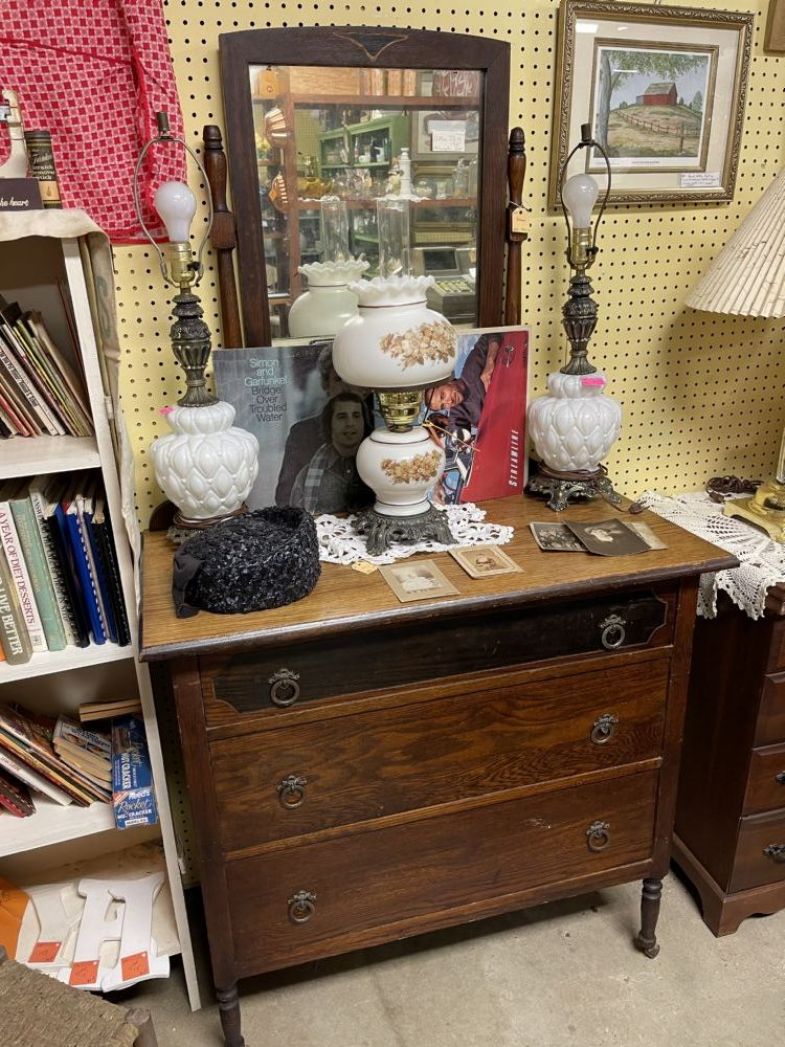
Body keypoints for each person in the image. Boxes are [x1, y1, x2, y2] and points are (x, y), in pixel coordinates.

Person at [275, 344, 352, 505]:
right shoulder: (302, 434)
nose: (346, 387)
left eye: (351, 379)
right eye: (338, 379)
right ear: (326, 385)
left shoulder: (376, 431)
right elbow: (285, 497)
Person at [290, 392, 372, 513]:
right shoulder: (305, 477)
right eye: (342, 417)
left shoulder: (377, 467)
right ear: (330, 423)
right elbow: (296, 519)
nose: (350, 423)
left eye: (356, 416)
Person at [424, 331, 502, 431]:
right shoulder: (457, 414)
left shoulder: (472, 366)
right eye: (443, 406)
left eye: (442, 395)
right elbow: (457, 435)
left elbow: (491, 333)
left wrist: (490, 362)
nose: (449, 402)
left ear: (446, 381)